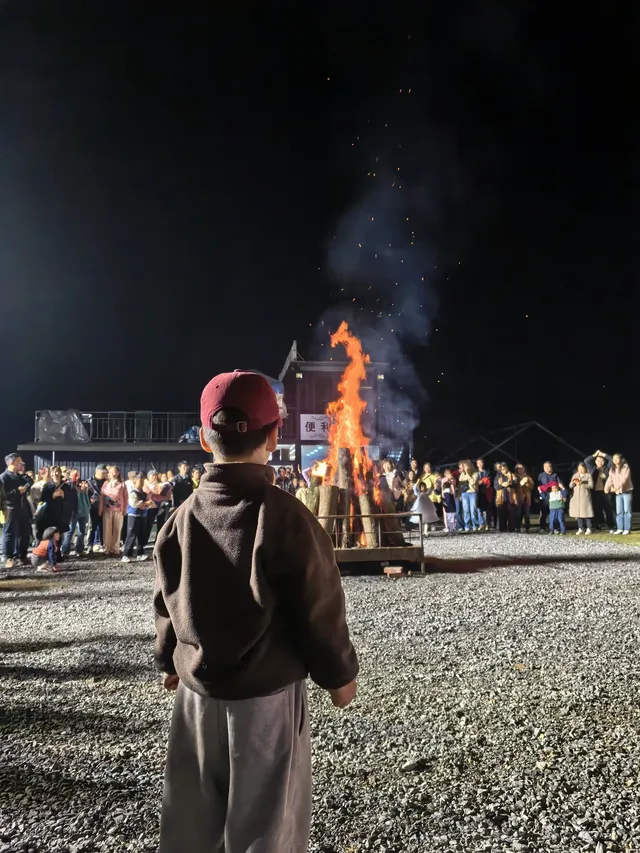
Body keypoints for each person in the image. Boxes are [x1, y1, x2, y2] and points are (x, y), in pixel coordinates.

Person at [154, 370, 358, 853]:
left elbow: (167, 597)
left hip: (197, 694)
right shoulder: (285, 515)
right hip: (266, 694)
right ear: (274, 434)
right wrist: (339, 676)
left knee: (191, 816)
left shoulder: (179, 518)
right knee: (265, 822)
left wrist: (168, 660)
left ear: (206, 439)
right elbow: (318, 607)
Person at [0, 453, 31, 568]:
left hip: (23, 507)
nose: (22, 464)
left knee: (25, 532)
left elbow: (30, 484)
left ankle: (22, 556)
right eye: (19, 462)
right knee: (9, 533)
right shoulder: (4, 477)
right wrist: (17, 492)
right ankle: (7, 557)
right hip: (10, 508)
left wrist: (24, 474)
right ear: (12, 463)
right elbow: (4, 495)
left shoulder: (19, 476)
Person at [38, 466, 75, 545]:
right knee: (50, 534)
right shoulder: (47, 485)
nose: (55, 474)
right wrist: (53, 496)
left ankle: (58, 553)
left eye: (57, 472)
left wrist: (63, 495)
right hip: (49, 514)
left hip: (61, 515)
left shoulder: (65, 486)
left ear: (60, 473)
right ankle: (49, 552)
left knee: (59, 535)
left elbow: (69, 500)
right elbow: (43, 499)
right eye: (53, 472)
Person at [100, 466, 128, 557]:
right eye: (111, 472)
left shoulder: (122, 484)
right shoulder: (105, 484)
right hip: (107, 510)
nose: (113, 473)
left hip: (118, 510)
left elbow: (126, 498)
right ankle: (107, 548)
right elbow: (102, 497)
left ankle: (115, 548)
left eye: (114, 472)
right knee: (107, 529)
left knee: (117, 529)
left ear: (118, 473)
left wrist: (124, 510)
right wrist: (100, 509)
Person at [584, 450, 615, 532]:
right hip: (595, 492)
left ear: (604, 461)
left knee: (608, 509)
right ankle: (599, 525)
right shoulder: (592, 468)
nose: (599, 462)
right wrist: (595, 455)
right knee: (597, 509)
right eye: (598, 460)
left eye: (601, 460)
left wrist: (602, 454)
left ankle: (611, 526)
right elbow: (586, 461)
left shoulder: (607, 468)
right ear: (595, 461)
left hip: (606, 492)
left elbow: (611, 459)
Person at [62, 471, 91, 557]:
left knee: (82, 531)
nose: (77, 476)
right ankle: (65, 551)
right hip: (74, 511)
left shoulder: (83, 483)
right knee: (70, 531)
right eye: (75, 475)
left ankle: (79, 550)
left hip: (84, 510)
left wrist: (85, 489)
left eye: (78, 474)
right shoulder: (68, 485)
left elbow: (89, 495)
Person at [123, 475, 151, 563]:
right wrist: (144, 503)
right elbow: (134, 504)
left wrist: (144, 504)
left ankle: (140, 553)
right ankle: (126, 554)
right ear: (134, 482)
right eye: (140, 481)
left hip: (142, 515)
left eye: (143, 481)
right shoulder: (132, 493)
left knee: (141, 535)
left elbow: (149, 504)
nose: (142, 483)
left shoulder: (144, 493)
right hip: (133, 515)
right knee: (131, 535)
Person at [605, 454, 634, 535]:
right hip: (618, 493)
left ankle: (627, 529)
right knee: (619, 511)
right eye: (614, 459)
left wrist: (615, 488)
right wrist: (606, 488)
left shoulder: (625, 467)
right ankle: (620, 528)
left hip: (626, 491)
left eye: (617, 458)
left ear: (620, 459)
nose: (615, 460)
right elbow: (609, 479)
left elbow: (624, 480)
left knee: (627, 511)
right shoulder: (612, 469)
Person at [144, 470, 173, 546]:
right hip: (150, 508)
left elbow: (167, 496)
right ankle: (144, 541)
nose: (154, 477)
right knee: (148, 525)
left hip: (161, 507)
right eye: (152, 475)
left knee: (161, 524)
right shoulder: (146, 485)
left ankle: (158, 540)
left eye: (155, 475)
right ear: (148, 476)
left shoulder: (160, 484)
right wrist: (161, 497)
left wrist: (161, 496)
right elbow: (152, 496)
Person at [87, 465, 108, 552]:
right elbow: (87, 494)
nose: (104, 474)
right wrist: (90, 500)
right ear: (97, 471)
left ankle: (101, 544)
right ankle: (89, 545)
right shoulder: (89, 481)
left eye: (105, 472)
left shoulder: (106, 482)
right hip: (93, 507)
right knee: (93, 526)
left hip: (104, 507)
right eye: (103, 472)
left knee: (103, 526)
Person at [569, 462, 594, 534]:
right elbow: (570, 486)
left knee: (587, 512)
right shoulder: (575, 475)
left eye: (582, 468)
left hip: (585, 497)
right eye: (579, 468)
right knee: (578, 513)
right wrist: (573, 483)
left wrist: (583, 485)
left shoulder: (588, 475)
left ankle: (589, 528)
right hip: (576, 497)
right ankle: (580, 528)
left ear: (585, 468)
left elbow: (591, 486)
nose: (581, 470)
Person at [537, 461, 560, 532]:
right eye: (545, 467)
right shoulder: (541, 475)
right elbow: (537, 486)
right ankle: (542, 528)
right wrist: (537, 495)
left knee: (554, 514)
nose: (547, 468)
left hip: (554, 497)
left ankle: (555, 528)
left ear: (551, 467)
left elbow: (560, 484)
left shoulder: (555, 475)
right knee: (543, 513)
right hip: (544, 497)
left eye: (548, 466)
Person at [495, 463, 518, 532]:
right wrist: (502, 485)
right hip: (501, 497)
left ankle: (512, 528)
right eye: (502, 469)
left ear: (507, 468)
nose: (503, 470)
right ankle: (502, 529)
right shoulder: (498, 476)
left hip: (510, 496)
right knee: (501, 513)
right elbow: (496, 486)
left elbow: (515, 485)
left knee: (511, 513)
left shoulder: (512, 475)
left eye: (505, 468)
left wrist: (510, 484)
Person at [458, 460, 479, 532]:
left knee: (473, 510)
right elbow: (460, 481)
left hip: (472, 493)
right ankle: (467, 525)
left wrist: (468, 474)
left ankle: (475, 525)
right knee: (466, 510)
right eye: (464, 466)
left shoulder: (475, 473)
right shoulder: (462, 474)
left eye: (466, 466)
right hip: (464, 494)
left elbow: (473, 482)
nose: (464, 468)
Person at [476, 458, 496, 530]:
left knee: (487, 509)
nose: (480, 464)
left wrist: (484, 481)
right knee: (479, 509)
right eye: (478, 463)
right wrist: (478, 482)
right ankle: (481, 524)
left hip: (487, 492)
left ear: (483, 463)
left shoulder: (488, 472)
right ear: (477, 464)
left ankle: (488, 523)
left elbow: (490, 480)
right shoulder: (475, 473)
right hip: (478, 492)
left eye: (481, 463)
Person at [514, 464, 534, 532]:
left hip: (527, 497)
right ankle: (517, 527)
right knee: (518, 513)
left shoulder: (528, 477)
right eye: (519, 468)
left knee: (527, 513)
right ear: (516, 469)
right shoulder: (515, 476)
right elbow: (513, 486)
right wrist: (520, 483)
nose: (520, 470)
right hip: (518, 497)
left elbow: (532, 485)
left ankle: (527, 527)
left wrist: (528, 484)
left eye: (522, 468)